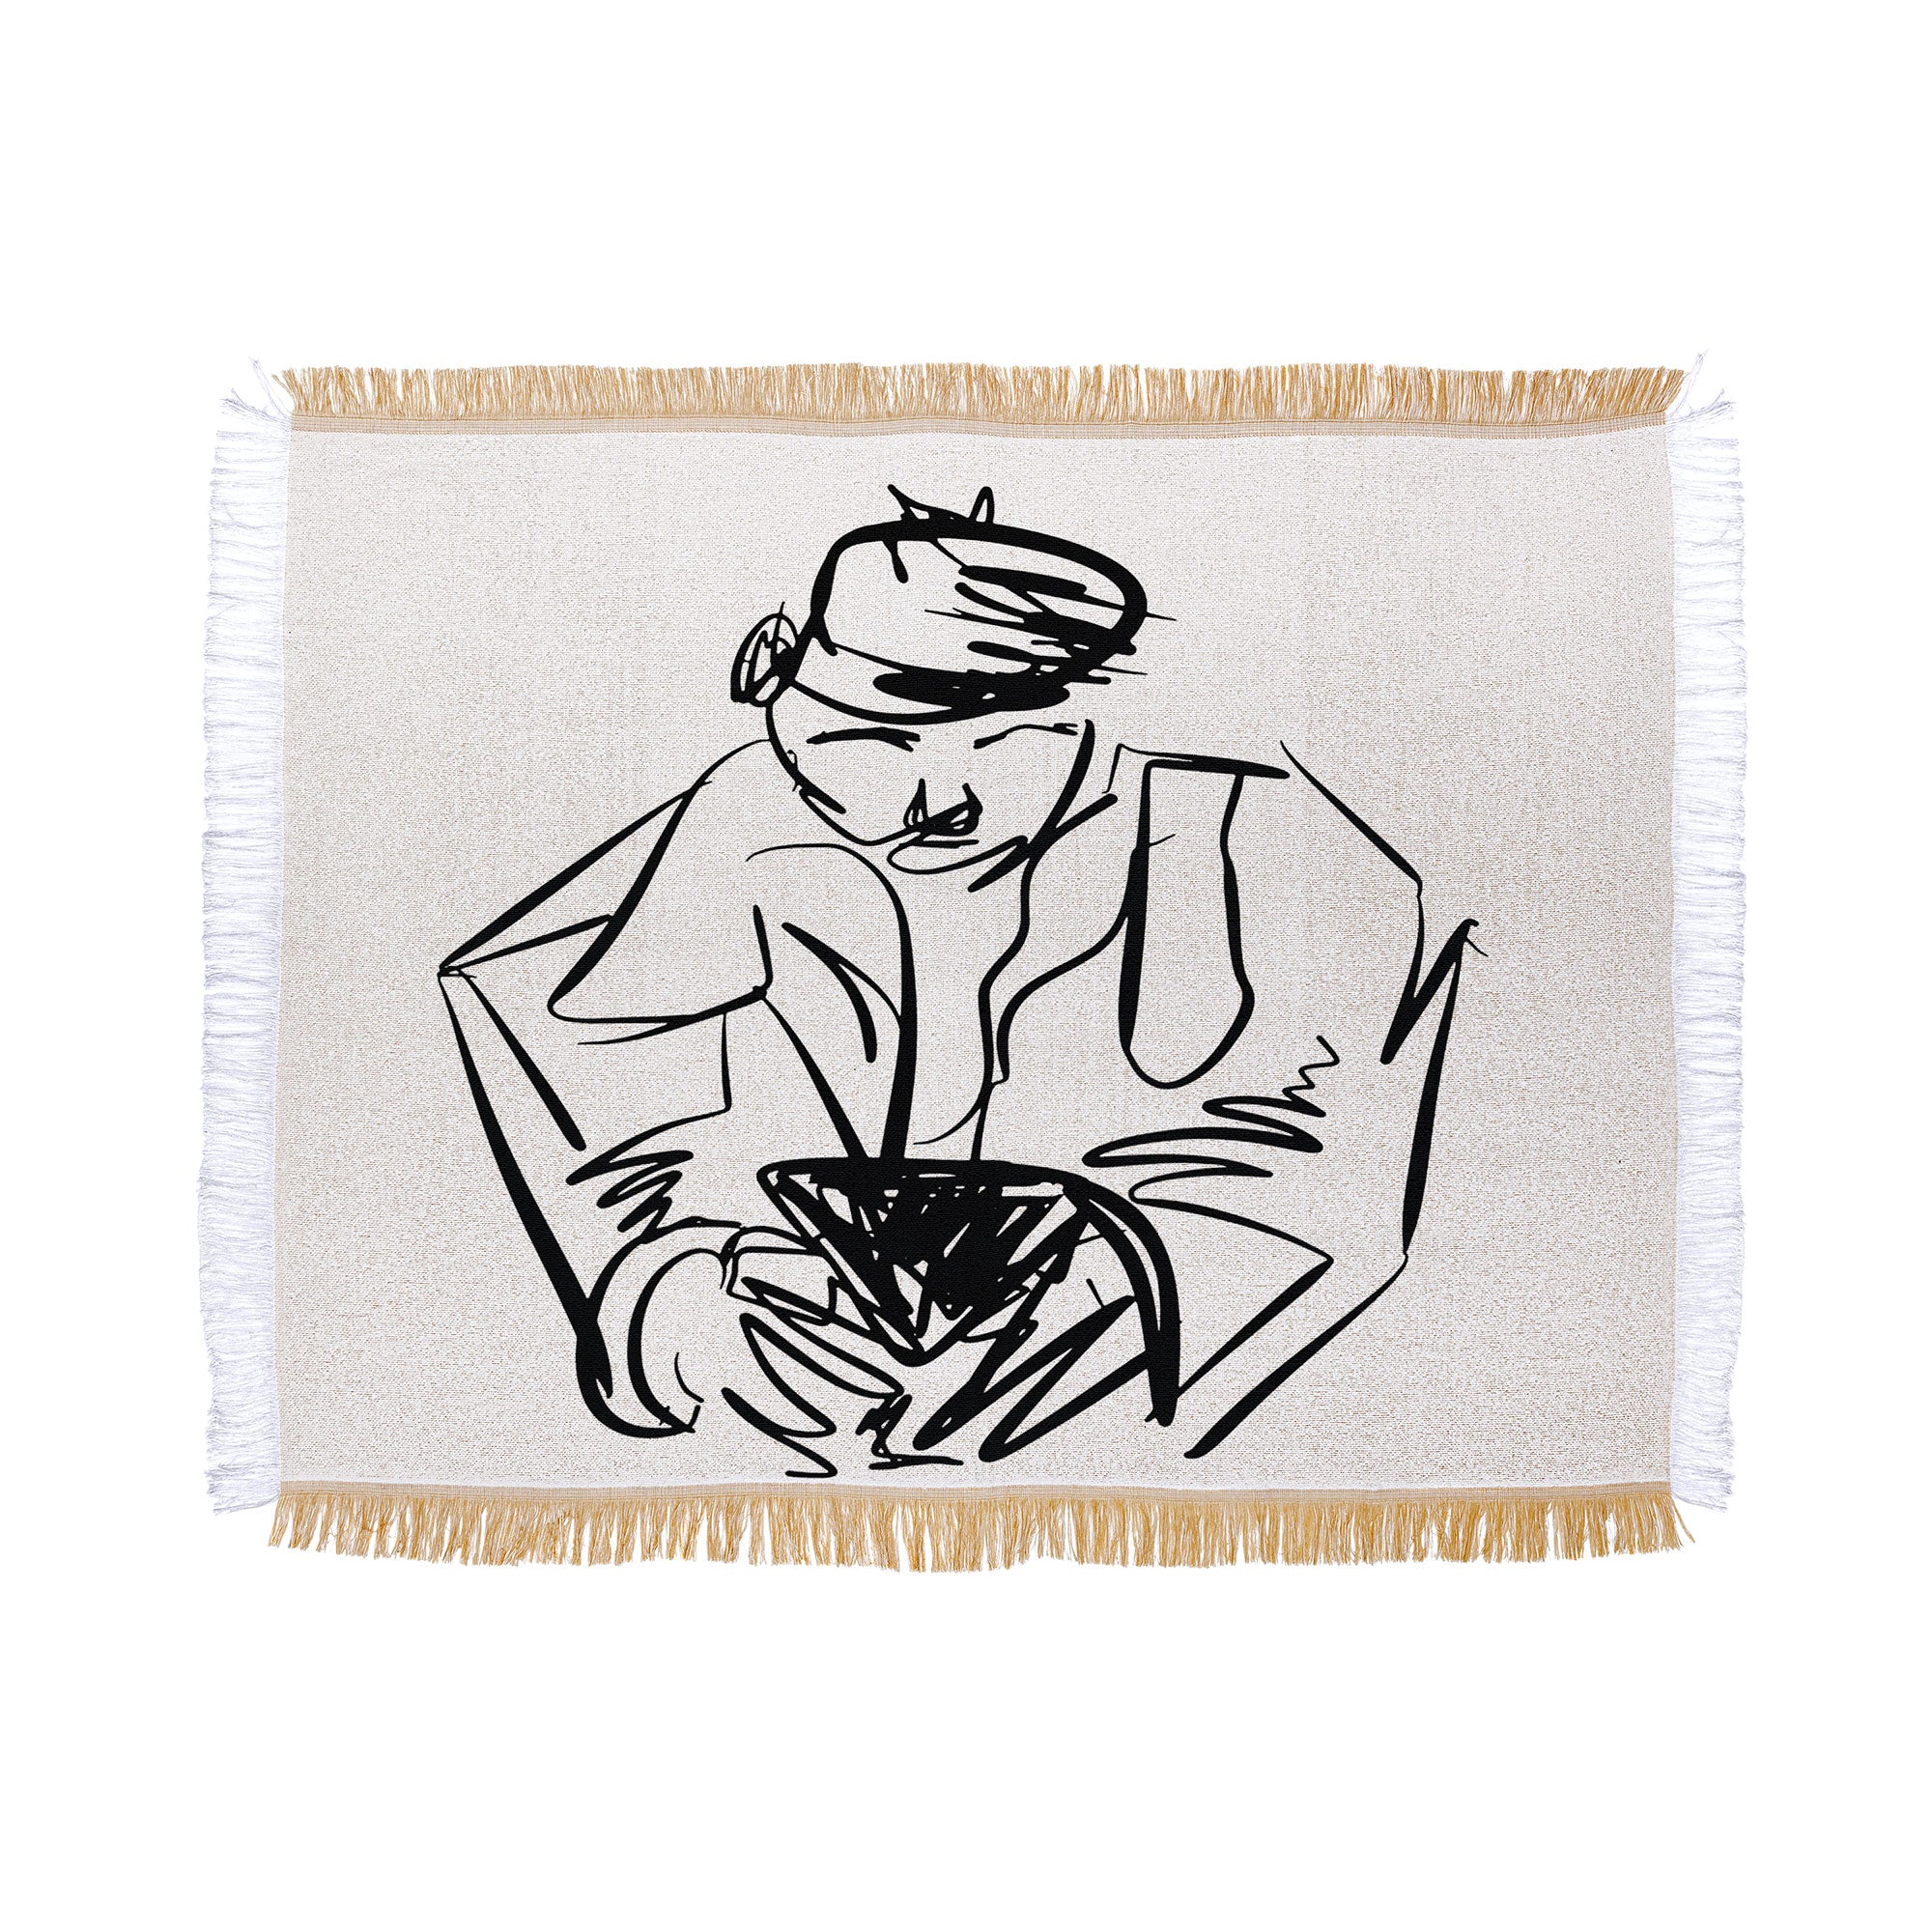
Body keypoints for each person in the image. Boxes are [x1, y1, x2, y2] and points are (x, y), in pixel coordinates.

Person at [440, 487, 1474, 1475]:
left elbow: (1313, 1171)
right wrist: (664, 1297)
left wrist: (1111, 1302)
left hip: (1125, 1422)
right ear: (779, 700)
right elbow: (577, 1076)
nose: (941, 804)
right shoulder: (723, 833)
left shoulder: (1266, 848)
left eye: (1007, 748)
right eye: (867, 747)